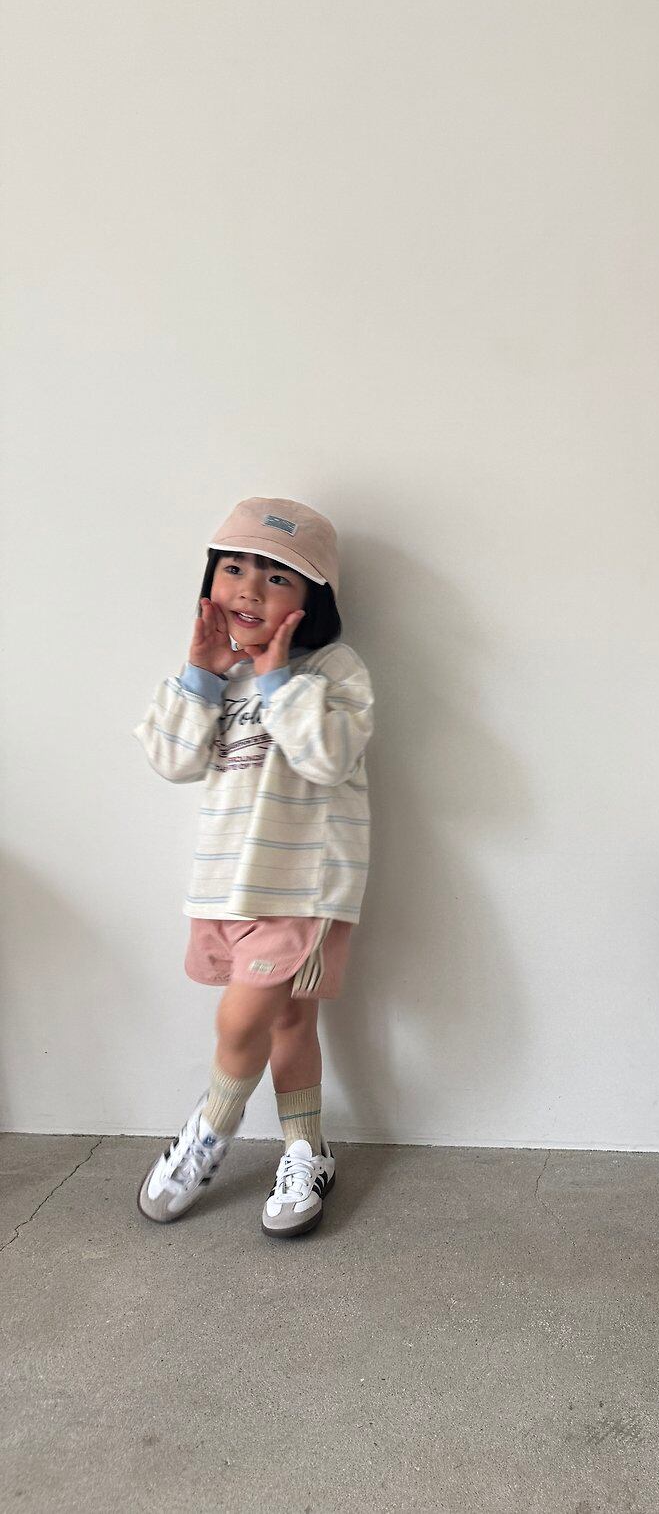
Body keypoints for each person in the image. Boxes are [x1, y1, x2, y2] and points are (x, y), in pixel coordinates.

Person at [135, 498, 373, 1238]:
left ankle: (211, 1127)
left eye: (275, 578)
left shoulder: (331, 670)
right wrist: (200, 674)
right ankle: (309, 1150)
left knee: (242, 1017)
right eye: (233, 569)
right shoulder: (215, 675)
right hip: (224, 885)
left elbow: (328, 758)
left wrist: (278, 681)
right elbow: (172, 760)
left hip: (302, 886)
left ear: (311, 601)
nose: (248, 589)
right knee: (289, 1019)